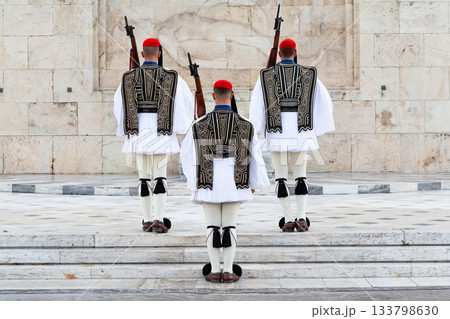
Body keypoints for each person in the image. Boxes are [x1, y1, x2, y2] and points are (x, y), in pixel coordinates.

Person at [180, 80, 269, 283]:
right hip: (235, 182)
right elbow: (255, 156)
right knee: (229, 226)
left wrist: (194, 181)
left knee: (212, 227)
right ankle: (228, 270)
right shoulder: (246, 124)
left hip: (207, 182)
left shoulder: (198, 124)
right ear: (231, 95)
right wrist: (252, 182)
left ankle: (213, 270)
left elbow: (187, 156)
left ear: (213, 96)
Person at [249, 38, 335, 232]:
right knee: (300, 176)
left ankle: (288, 219)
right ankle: (302, 218)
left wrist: (260, 129)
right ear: (295, 53)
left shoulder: (265, 75)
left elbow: (257, 106)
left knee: (280, 178)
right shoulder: (309, 74)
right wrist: (314, 126)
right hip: (301, 131)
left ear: (279, 54)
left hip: (276, 131)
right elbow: (324, 103)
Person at [114, 38, 194, 233]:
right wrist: (178, 126)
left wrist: (127, 127)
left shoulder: (128, 77)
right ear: (158, 54)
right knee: (160, 177)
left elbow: (119, 106)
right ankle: (158, 219)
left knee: (143, 178)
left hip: (139, 132)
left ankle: (147, 219)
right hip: (161, 132)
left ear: (142, 54)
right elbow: (185, 103)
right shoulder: (172, 77)